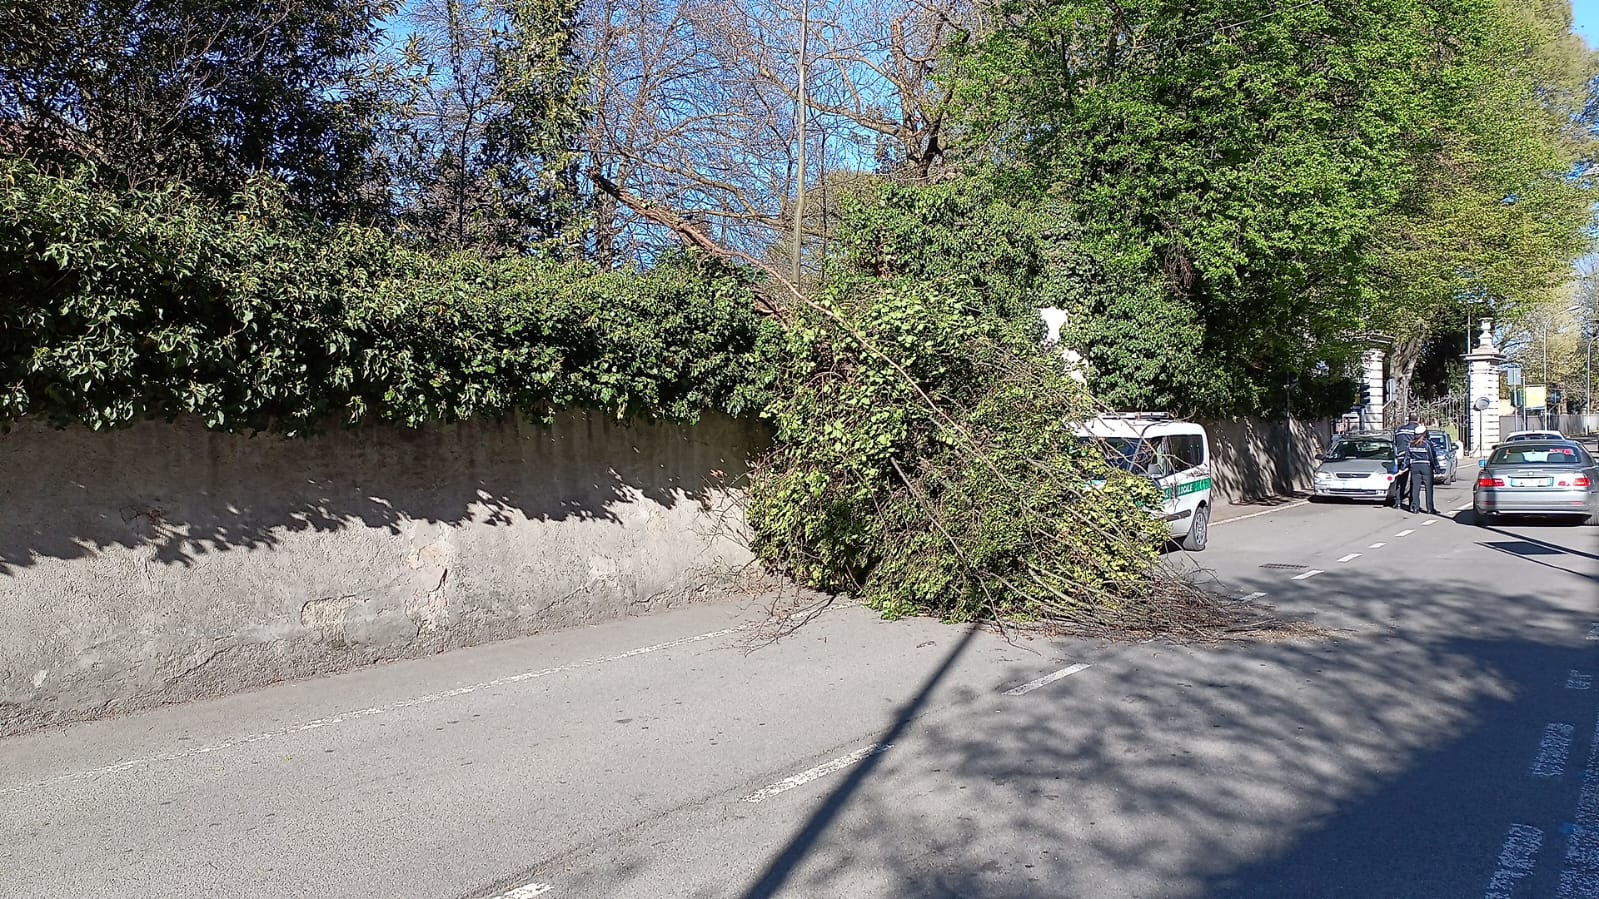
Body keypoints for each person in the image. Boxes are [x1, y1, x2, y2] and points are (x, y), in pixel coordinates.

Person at [1404, 427, 1441, 515]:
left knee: (1415, 488)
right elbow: (1432, 456)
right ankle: (1430, 508)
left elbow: (1407, 458)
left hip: (1414, 467)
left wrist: (1403, 468)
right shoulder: (1427, 444)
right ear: (1424, 433)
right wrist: (1437, 468)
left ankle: (1414, 507)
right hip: (1426, 466)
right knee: (1428, 488)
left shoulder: (1410, 444)